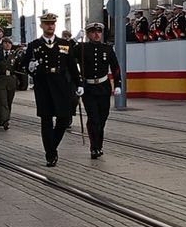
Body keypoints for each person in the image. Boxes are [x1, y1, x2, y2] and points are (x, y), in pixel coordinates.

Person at [24, 12, 80, 167]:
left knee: (63, 119)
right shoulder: (34, 45)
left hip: (61, 85)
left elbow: (72, 66)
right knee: (46, 120)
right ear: (42, 26)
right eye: (47, 23)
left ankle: (52, 146)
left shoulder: (64, 44)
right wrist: (31, 68)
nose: (50, 26)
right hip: (43, 86)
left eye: (53, 23)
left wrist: (79, 84)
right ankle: (50, 153)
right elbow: (25, 64)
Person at [77, 21, 123, 159]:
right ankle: (94, 147)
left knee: (102, 119)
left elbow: (115, 67)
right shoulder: (82, 48)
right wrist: (74, 40)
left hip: (103, 88)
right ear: (88, 34)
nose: (97, 35)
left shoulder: (107, 49)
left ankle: (99, 145)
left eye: (99, 32)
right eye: (93, 32)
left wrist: (118, 84)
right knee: (94, 119)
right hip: (89, 88)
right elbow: (65, 52)